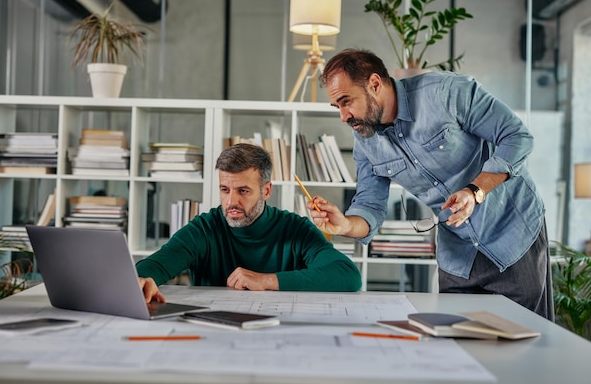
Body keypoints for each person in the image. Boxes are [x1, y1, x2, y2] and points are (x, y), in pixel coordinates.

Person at [307, 48, 553, 320]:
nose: (343, 116)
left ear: (374, 84)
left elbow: (516, 136)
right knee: (457, 349)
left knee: (523, 344)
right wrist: (346, 224)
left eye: (346, 101)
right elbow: (369, 204)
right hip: (458, 257)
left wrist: (475, 191)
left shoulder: (445, 92)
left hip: (512, 235)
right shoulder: (366, 141)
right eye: (337, 107)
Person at [137, 143, 361, 303]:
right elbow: (156, 265)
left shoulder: (296, 229)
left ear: (266, 190)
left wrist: (267, 281)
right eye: (225, 190)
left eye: (243, 191)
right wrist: (141, 280)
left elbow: (347, 275)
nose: (231, 201)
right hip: (213, 333)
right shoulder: (204, 229)